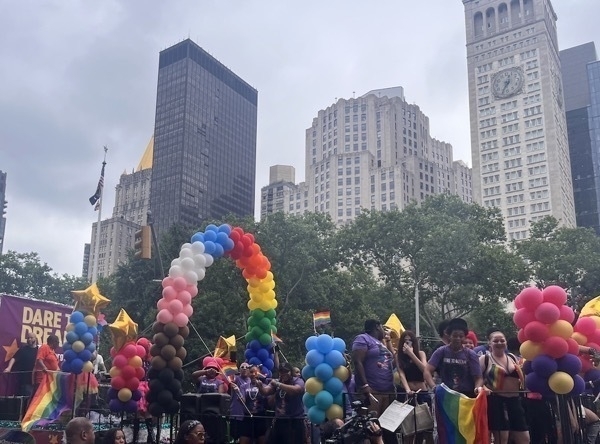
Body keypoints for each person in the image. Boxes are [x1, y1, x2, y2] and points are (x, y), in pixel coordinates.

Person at [480, 330, 529, 444]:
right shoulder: (485, 359)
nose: (499, 343)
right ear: (489, 343)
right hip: (496, 401)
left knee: (524, 437)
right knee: (502, 438)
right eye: (495, 341)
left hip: (515, 400)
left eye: (502, 340)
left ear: (506, 342)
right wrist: (484, 388)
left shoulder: (512, 357)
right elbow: (477, 379)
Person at [424, 318, 483, 397]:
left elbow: (478, 378)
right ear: (449, 336)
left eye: (461, 336)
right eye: (455, 335)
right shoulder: (441, 351)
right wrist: (434, 388)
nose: (458, 338)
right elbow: (427, 370)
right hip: (445, 396)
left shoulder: (470, 354)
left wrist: (477, 388)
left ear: (465, 337)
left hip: (466, 397)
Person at [352, 319, 395, 415]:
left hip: (388, 391)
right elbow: (357, 361)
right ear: (377, 326)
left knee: (385, 427)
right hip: (372, 391)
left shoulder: (381, 343)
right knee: (372, 425)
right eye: (383, 328)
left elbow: (390, 363)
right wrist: (365, 385)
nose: (384, 331)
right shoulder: (363, 338)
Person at [395, 331, 432, 444]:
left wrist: (412, 354)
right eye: (405, 340)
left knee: (423, 427)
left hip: (422, 391)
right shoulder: (398, 356)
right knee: (409, 428)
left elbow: (425, 370)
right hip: (409, 392)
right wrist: (407, 390)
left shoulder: (420, 353)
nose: (407, 342)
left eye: (410, 340)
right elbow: (401, 374)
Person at [257, 362, 305, 444]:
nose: (284, 374)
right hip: (280, 420)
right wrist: (260, 386)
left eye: (286, 371)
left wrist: (278, 384)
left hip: (295, 420)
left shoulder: (297, 380)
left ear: (291, 372)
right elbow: (266, 392)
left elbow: (297, 390)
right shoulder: (276, 382)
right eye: (281, 372)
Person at [232, 365, 268, 444]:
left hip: (260, 417)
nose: (253, 374)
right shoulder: (243, 386)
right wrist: (238, 392)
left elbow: (268, 401)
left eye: (256, 372)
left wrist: (261, 388)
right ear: (248, 373)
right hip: (247, 417)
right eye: (251, 372)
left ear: (259, 373)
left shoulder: (265, 386)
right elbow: (243, 401)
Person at [229, 362, 252, 442]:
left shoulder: (251, 381)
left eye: (247, 367)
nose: (245, 368)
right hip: (236, 414)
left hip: (247, 416)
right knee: (235, 439)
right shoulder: (236, 378)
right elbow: (229, 375)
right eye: (242, 367)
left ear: (249, 370)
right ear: (239, 370)